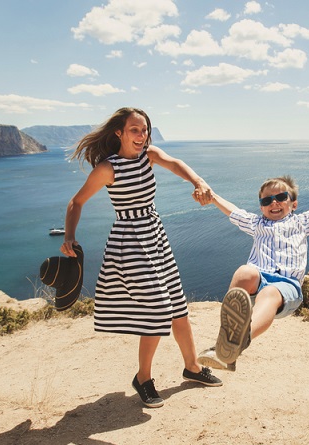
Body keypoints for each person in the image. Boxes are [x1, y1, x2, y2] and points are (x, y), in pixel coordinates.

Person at [59, 107, 221, 409]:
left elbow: (176, 164)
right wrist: (69, 237)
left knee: (178, 307)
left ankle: (192, 368)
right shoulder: (109, 168)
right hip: (129, 242)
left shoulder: (149, 155)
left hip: (156, 236)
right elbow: (76, 202)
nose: (141, 135)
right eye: (135, 129)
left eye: (145, 129)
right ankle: (143, 378)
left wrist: (198, 182)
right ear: (119, 132)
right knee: (159, 308)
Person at [196, 176, 309, 370]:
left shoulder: (303, 223)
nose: (273, 203)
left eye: (280, 197)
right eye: (266, 200)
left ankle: (236, 343)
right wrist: (213, 197)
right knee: (244, 272)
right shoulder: (256, 224)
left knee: (270, 293)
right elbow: (232, 211)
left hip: (287, 286)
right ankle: (226, 341)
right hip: (258, 280)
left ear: (293, 204)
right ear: (261, 207)